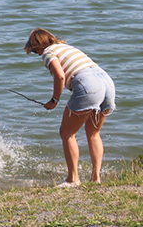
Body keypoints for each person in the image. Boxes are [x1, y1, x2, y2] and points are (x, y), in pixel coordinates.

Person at [23, 28, 116, 188]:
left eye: (34, 51)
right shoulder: (68, 48)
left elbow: (60, 76)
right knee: (93, 133)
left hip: (89, 85)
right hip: (106, 82)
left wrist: (54, 100)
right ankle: (96, 178)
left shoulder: (48, 52)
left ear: (38, 46)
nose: (37, 54)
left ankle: (73, 179)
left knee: (67, 133)